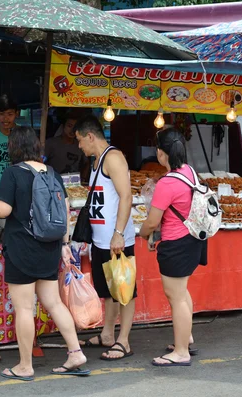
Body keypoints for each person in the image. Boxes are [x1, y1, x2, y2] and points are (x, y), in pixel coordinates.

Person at [0, 126, 89, 381]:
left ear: (13, 147)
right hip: (49, 247)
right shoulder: (51, 173)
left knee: (25, 308)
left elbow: (3, 211)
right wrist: (64, 244)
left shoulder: (13, 173)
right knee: (54, 302)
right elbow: (65, 209)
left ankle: (25, 366)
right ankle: (75, 352)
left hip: (22, 249)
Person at [139, 127, 206, 367]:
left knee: (175, 296)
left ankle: (180, 352)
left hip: (176, 244)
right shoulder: (189, 172)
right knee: (182, 291)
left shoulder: (167, 183)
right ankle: (185, 338)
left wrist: (142, 232)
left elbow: (153, 221)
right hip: (192, 240)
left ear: (160, 153)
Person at [74, 115, 136, 361]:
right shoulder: (98, 161)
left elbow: (126, 197)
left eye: (80, 140)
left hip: (116, 239)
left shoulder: (114, 158)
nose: (79, 146)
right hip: (101, 240)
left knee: (125, 291)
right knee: (109, 291)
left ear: (90, 136)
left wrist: (118, 233)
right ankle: (107, 334)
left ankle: (124, 341)